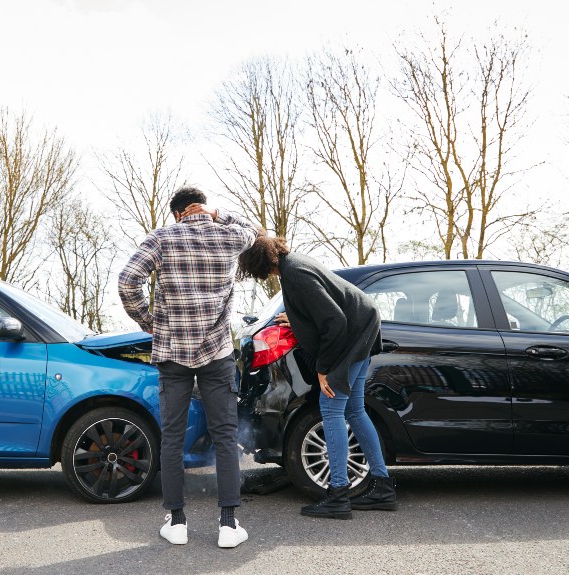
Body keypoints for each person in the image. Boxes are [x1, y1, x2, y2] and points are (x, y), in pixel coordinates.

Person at [118, 186, 259, 548]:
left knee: (173, 436)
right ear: (203, 207)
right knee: (225, 436)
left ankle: (177, 521)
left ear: (177, 213)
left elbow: (128, 280)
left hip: (172, 351)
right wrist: (219, 215)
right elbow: (255, 231)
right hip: (216, 352)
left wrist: (147, 321)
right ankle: (228, 524)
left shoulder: (162, 237)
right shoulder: (228, 235)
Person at [236, 234, 397, 519]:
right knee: (355, 410)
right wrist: (297, 320)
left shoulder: (294, 274)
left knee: (331, 409)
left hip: (352, 335)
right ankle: (383, 487)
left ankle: (338, 495)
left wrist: (324, 370)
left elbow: (334, 322)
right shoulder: (294, 263)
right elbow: (322, 312)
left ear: (257, 263)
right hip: (362, 327)